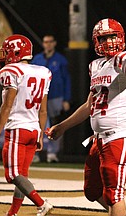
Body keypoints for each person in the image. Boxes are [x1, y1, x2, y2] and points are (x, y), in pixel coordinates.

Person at [47, 17, 126, 216]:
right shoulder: (95, 65)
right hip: (99, 139)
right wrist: (62, 126)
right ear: (96, 41)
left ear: (121, 38)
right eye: (104, 38)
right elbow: (88, 105)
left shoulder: (124, 59)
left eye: (113, 36)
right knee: (92, 191)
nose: (109, 42)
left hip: (118, 135)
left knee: (114, 195)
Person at [0, 34, 53, 216]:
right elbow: (43, 110)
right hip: (33, 129)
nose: (5, 56)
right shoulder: (44, 72)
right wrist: (40, 134)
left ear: (15, 52)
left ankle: (41, 204)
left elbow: (7, 105)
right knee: (21, 176)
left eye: (7, 51)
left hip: (17, 128)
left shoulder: (11, 71)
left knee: (12, 175)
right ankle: (12, 212)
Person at [31, 34, 72, 163]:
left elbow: (67, 80)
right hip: (39, 96)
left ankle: (52, 153)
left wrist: (66, 99)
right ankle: (34, 152)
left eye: (50, 42)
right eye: (45, 42)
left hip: (55, 96)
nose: (47, 44)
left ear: (54, 43)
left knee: (55, 125)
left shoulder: (60, 60)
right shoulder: (37, 59)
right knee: (36, 124)